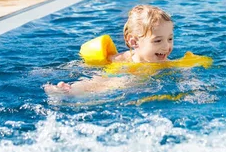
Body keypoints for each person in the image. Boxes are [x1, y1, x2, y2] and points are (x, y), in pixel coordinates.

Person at [44, 5, 174, 96]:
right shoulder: (122, 58)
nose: (166, 46)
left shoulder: (167, 64)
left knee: (124, 82)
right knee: (101, 80)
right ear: (134, 42)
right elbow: (93, 69)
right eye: (158, 41)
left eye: (170, 39)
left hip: (133, 85)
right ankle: (70, 90)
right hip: (116, 77)